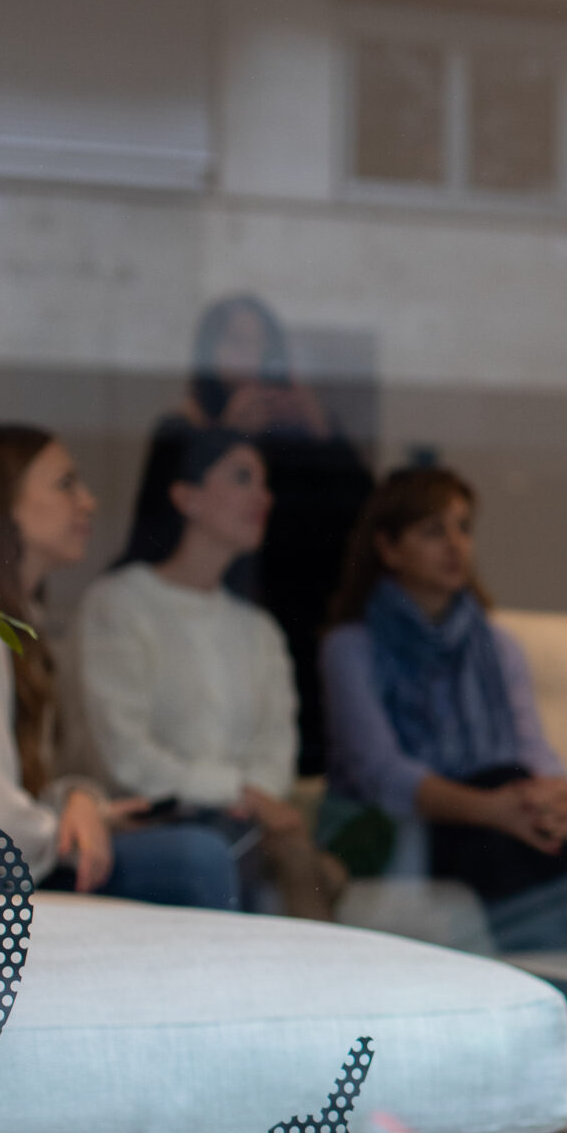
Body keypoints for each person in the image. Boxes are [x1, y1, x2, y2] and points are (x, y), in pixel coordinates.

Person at [0, 425, 242, 908]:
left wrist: (80, 802)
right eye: (65, 484)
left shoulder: (6, 616)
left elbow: (2, 797)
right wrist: (64, 830)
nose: (89, 502)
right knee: (195, 860)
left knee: (196, 852)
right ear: (4, 502)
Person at [321, 464, 567, 953]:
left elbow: (532, 746)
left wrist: (556, 798)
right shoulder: (351, 648)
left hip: (492, 820)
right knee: (501, 810)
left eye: (463, 528)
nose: (455, 545)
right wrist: (493, 808)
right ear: (388, 548)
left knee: (523, 821)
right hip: (400, 827)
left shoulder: (497, 645)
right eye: (432, 531)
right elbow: (383, 774)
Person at [74, 422, 338, 920]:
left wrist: (252, 799)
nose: (263, 497)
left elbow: (276, 753)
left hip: (249, 834)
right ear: (186, 496)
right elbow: (125, 758)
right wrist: (239, 793)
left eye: (264, 482)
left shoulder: (259, 629)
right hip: (152, 830)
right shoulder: (119, 603)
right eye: (242, 478)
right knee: (218, 855)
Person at [180, 294, 373, 778]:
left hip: (302, 614)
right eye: (237, 341)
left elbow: (364, 520)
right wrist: (227, 435)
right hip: (218, 609)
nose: (251, 356)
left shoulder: (299, 432)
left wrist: (319, 429)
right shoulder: (185, 427)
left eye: (262, 344)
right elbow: (163, 526)